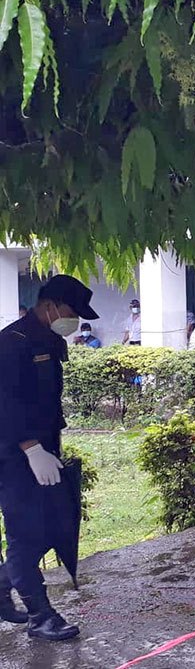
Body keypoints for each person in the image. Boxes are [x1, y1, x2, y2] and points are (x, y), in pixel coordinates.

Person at [0, 274, 98, 641]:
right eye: (71, 311)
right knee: (26, 534)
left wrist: (45, 449)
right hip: (13, 454)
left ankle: (2, 584)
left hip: (42, 451)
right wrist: (30, 448)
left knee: (49, 528)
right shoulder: (12, 343)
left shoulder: (48, 339)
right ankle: (41, 616)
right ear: (49, 306)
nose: (74, 320)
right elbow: (5, 402)